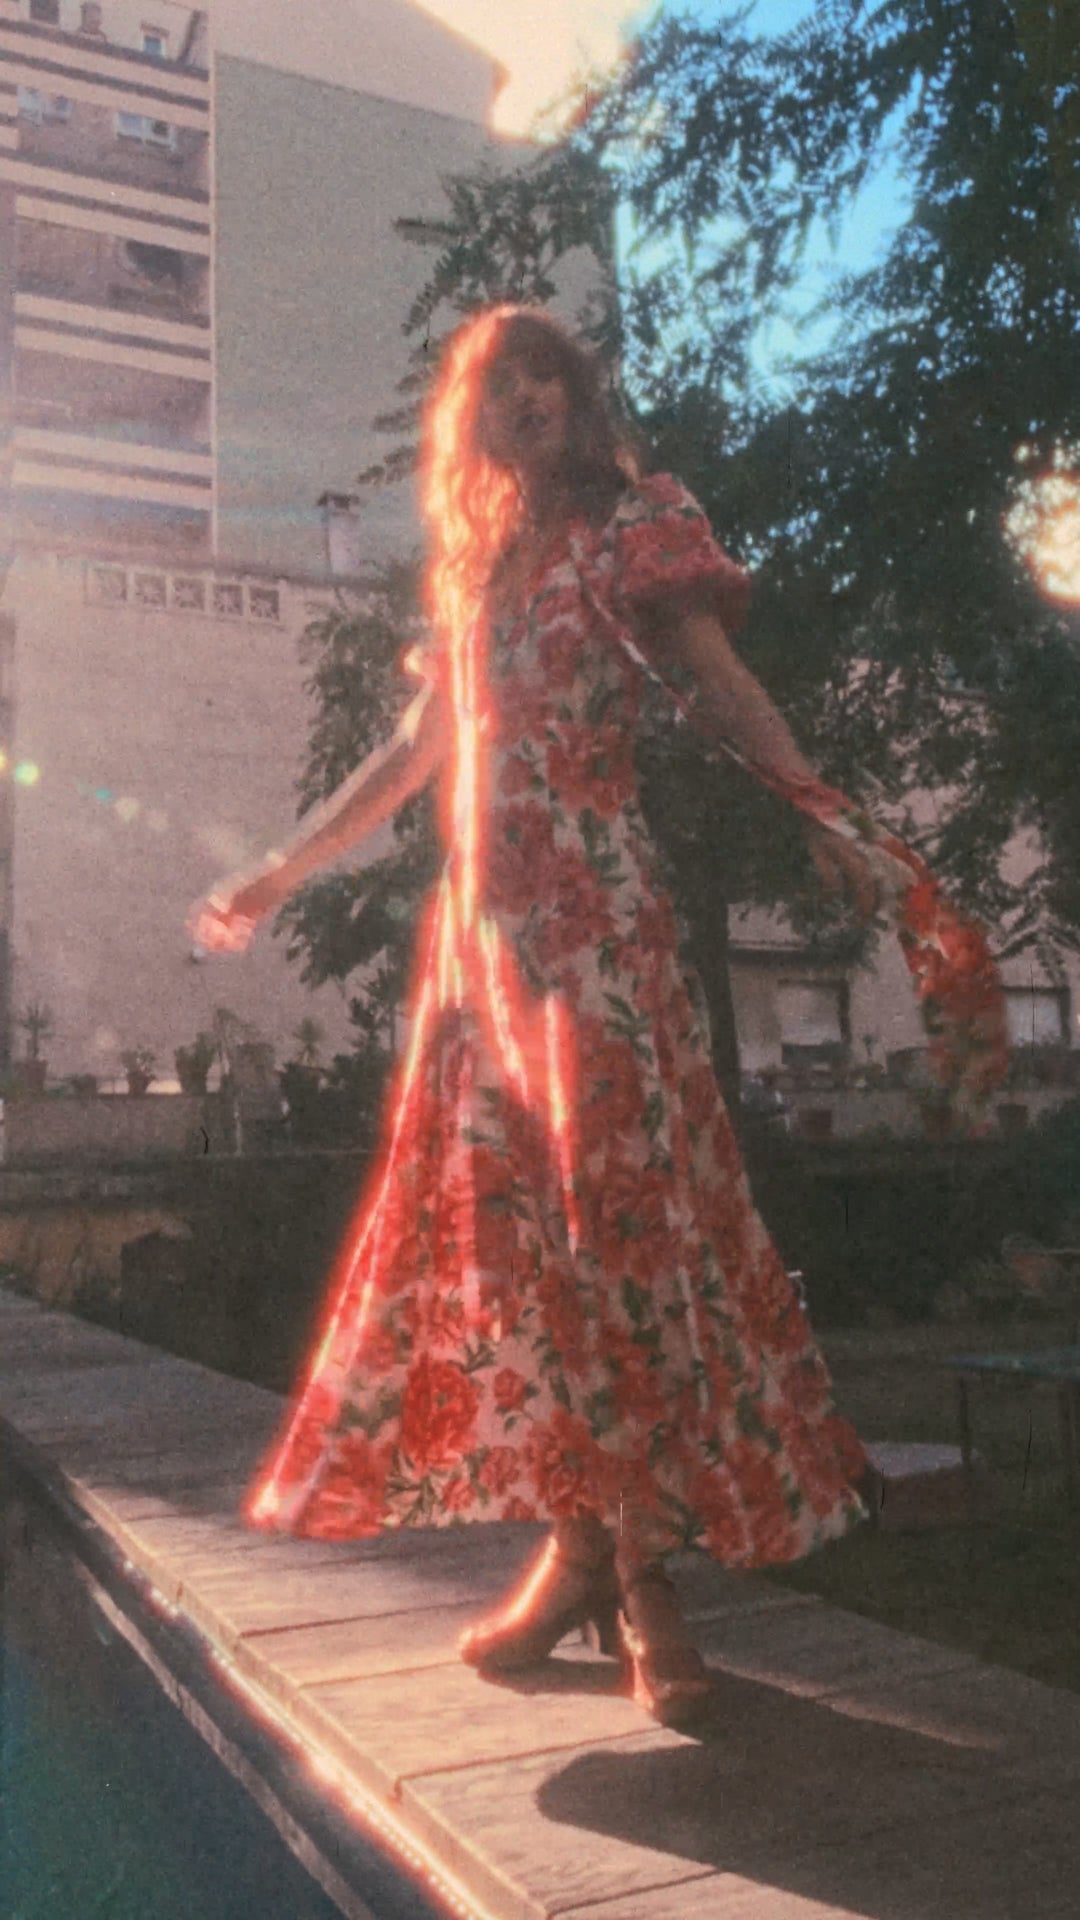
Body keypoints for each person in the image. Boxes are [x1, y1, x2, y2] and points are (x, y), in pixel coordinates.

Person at [188, 304, 987, 1731]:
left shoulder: (633, 527)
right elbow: (417, 752)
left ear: (577, 395)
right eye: (499, 383)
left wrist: (816, 806)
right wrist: (277, 870)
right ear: (474, 421)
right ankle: (583, 1555)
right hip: (486, 955)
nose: (527, 397)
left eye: (545, 374)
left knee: (618, 1234)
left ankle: (644, 1580)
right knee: (525, 1254)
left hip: (601, 937)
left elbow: (719, 683)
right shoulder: (476, 571)